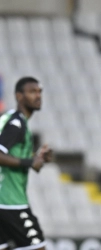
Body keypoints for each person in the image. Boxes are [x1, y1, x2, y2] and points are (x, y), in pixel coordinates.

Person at [0, 77, 52, 250]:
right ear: (19, 96)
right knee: (38, 247)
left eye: (39, 91)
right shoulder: (16, 124)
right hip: (10, 202)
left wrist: (37, 158)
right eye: (32, 92)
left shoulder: (11, 119)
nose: (38, 96)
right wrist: (31, 161)